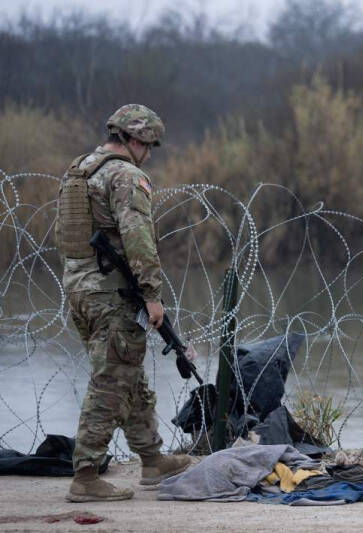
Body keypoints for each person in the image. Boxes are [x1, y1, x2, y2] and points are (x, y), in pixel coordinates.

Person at [55, 104, 192, 502]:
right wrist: (152, 295)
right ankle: (85, 476)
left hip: (80, 286)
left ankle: (151, 458)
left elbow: (68, 235)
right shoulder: (126, 175)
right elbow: (138, 240)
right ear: (134, 140)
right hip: (111, 292)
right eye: (148, 145)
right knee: (111, 382)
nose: (149, 153)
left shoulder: (80, 169)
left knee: (126, 371)